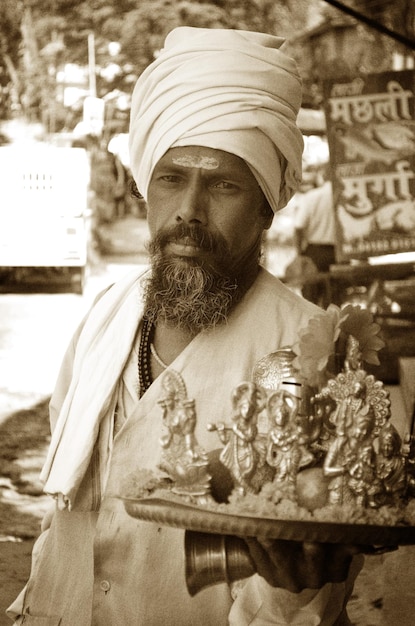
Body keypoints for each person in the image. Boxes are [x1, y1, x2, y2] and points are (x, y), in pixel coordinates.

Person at [7, 27, 363, 625]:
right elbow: (68, 513)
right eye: (172, 178)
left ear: (267, 205)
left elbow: (294, 601)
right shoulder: (104, 318)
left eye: (223, 185)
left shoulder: (314, 352)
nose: (188, 213)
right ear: (147, 185)